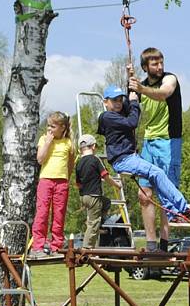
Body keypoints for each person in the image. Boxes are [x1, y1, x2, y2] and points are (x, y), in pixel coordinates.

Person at [97, 85, 190, 224]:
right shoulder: (107, 116)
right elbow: (132, 122)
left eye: (120, 100)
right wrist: (134, 103)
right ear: (105, 102)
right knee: (158, 173)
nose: (118, 103)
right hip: (123, 159)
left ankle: (173, 213)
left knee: (157, 178)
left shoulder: (117, 113)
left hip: (130, 157)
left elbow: (131, 98)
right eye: (114, 100)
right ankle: (185, 208)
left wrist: (131, 81)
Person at [128, 48, 183, 252]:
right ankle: (150, 244)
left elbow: (164, 94)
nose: (160, 67)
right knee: (144, 194)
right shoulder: (139, 86)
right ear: (145, 67)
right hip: (149, 142)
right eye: (154, 64)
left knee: (166, 194)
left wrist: (141, 89)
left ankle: (164, 243)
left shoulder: (170, 79)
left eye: (161, 62)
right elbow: (130, 112)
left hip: (169, 141)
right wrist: (131, 85)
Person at [30, 111, 75, 258]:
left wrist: (66, 179)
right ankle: (38, 246)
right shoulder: (44, 139)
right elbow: (40, 159)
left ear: (62, 127)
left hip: (61, 182)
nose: (49, 129)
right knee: (42, 213)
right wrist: (48, 142)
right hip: (45, 181)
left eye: (53, 126)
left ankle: (56, 247)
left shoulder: (68, 143)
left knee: (59, 215)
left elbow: (70, 164)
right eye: (48, 126)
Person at [75, 134, 122, 248]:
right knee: (93, 223)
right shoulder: (96, 160)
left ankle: (100, 223)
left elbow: (78, 183)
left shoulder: (79, 163)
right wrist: (117, 185)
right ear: (94, 146)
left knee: (106, 202)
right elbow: (105, 176)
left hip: (84, 196)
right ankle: (87, 248)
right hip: (94, 195)